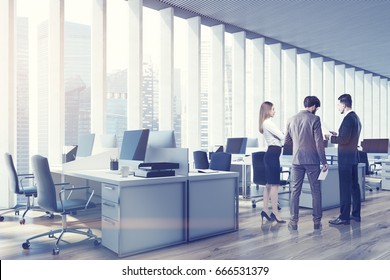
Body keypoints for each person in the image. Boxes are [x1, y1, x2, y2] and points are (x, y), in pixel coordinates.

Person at [284, 96, 329, 230]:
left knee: (295, 191)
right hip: (312, 160)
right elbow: (319, 143)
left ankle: (293, 222)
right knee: (316, 191)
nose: (317, 110)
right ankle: (316, 222)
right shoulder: (315, 119)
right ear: (314, 106)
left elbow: (286, 141)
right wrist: (324, 161)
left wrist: (297, 146)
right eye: (317, 108)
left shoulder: (290, 119)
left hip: (296, 160)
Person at [326, 94, 362, 225]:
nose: (338, 107)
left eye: (338, 105)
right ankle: (356, 214)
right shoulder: (356, 118)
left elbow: (344, 140)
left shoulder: (347, 119)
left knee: (345, 188)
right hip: (353, 157)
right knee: (354, 186)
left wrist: (330, 138)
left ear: (344, 105)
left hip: (346, 159)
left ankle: (344, 217)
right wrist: (338, 135)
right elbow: (348, 137)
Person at [258, 101, 286, 223]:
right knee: (275, 185)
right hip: (273, 155)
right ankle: (275, 212)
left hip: (271, 154)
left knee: (269, 185)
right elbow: (282, 136)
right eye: (273, 109)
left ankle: (265, 210)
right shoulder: (268, 123)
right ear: (268, 110)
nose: (275, 111)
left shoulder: (265, 123)